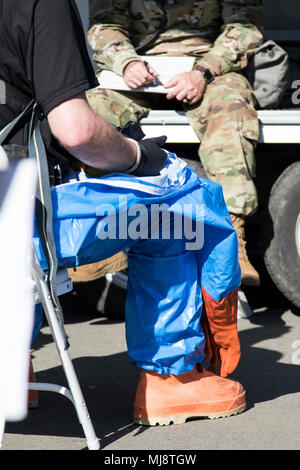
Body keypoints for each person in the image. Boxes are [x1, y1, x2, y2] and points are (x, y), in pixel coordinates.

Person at [0, 0, 246, 426]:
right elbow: (75, 129)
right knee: (179, 207)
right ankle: (172, 379)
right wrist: (138, 157)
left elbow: (244, 29)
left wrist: (203, 71)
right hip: (13, 221)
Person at [86, 0, 264, 287]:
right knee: (93, 111)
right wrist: (127, 62)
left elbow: (244, 27)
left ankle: (232, 240)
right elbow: (105, 25)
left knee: (230, 109)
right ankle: (105, 233)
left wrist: (204, 71)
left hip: (205, 67)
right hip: (136, 70)